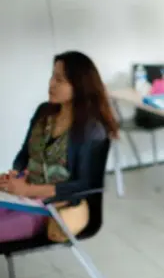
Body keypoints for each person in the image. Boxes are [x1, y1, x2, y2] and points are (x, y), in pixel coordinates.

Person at [0, 51, 119, 244]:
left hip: (50, 207)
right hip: (22, 192)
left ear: (79, 86)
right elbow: (24, 154)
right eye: (52, 76)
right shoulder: (44, 112)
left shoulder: (92, 129)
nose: (51, 84)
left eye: (60, 79)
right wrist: (15, 173)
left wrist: (28, 191)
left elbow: (85, 184)